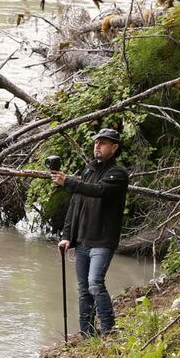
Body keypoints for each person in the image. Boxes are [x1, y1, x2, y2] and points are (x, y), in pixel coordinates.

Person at [53, 128, 129, 338]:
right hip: (82, 241)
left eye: (103, 143)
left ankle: (109, 330)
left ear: (114, 148)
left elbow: (99, 191)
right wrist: (67, 235)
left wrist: (68, 182)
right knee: (83, 289)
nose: (97, 146)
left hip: (102, 241)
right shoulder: (88, 171)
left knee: (95, 283)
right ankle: (87, 334)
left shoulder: (118, 174)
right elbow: (75, 204)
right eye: (96, 142)